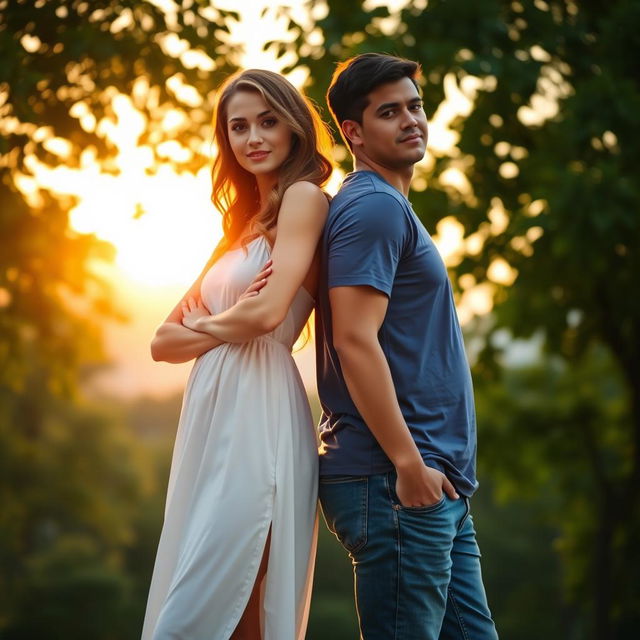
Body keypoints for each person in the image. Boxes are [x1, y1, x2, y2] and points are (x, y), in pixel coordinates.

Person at [141, 69, 333, 640]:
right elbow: (159, 342)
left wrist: (205, 326)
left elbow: (267, 315)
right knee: (212, 578)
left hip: (260, 406)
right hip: (210, 412)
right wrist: (227, 325)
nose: (253, 137)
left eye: (268, 122)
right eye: (239, 126)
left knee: (237, 576)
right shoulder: (239, 225)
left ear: (296, 128)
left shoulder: (304, 198)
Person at [315, 53, 499, 639]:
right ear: (353, 132)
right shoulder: (372, 208)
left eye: (414, 106)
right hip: (395, 480)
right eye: (388, 112)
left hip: (429, 485)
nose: (410, 120)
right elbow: (353, 338)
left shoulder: (390, 207)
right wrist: (406, 463)